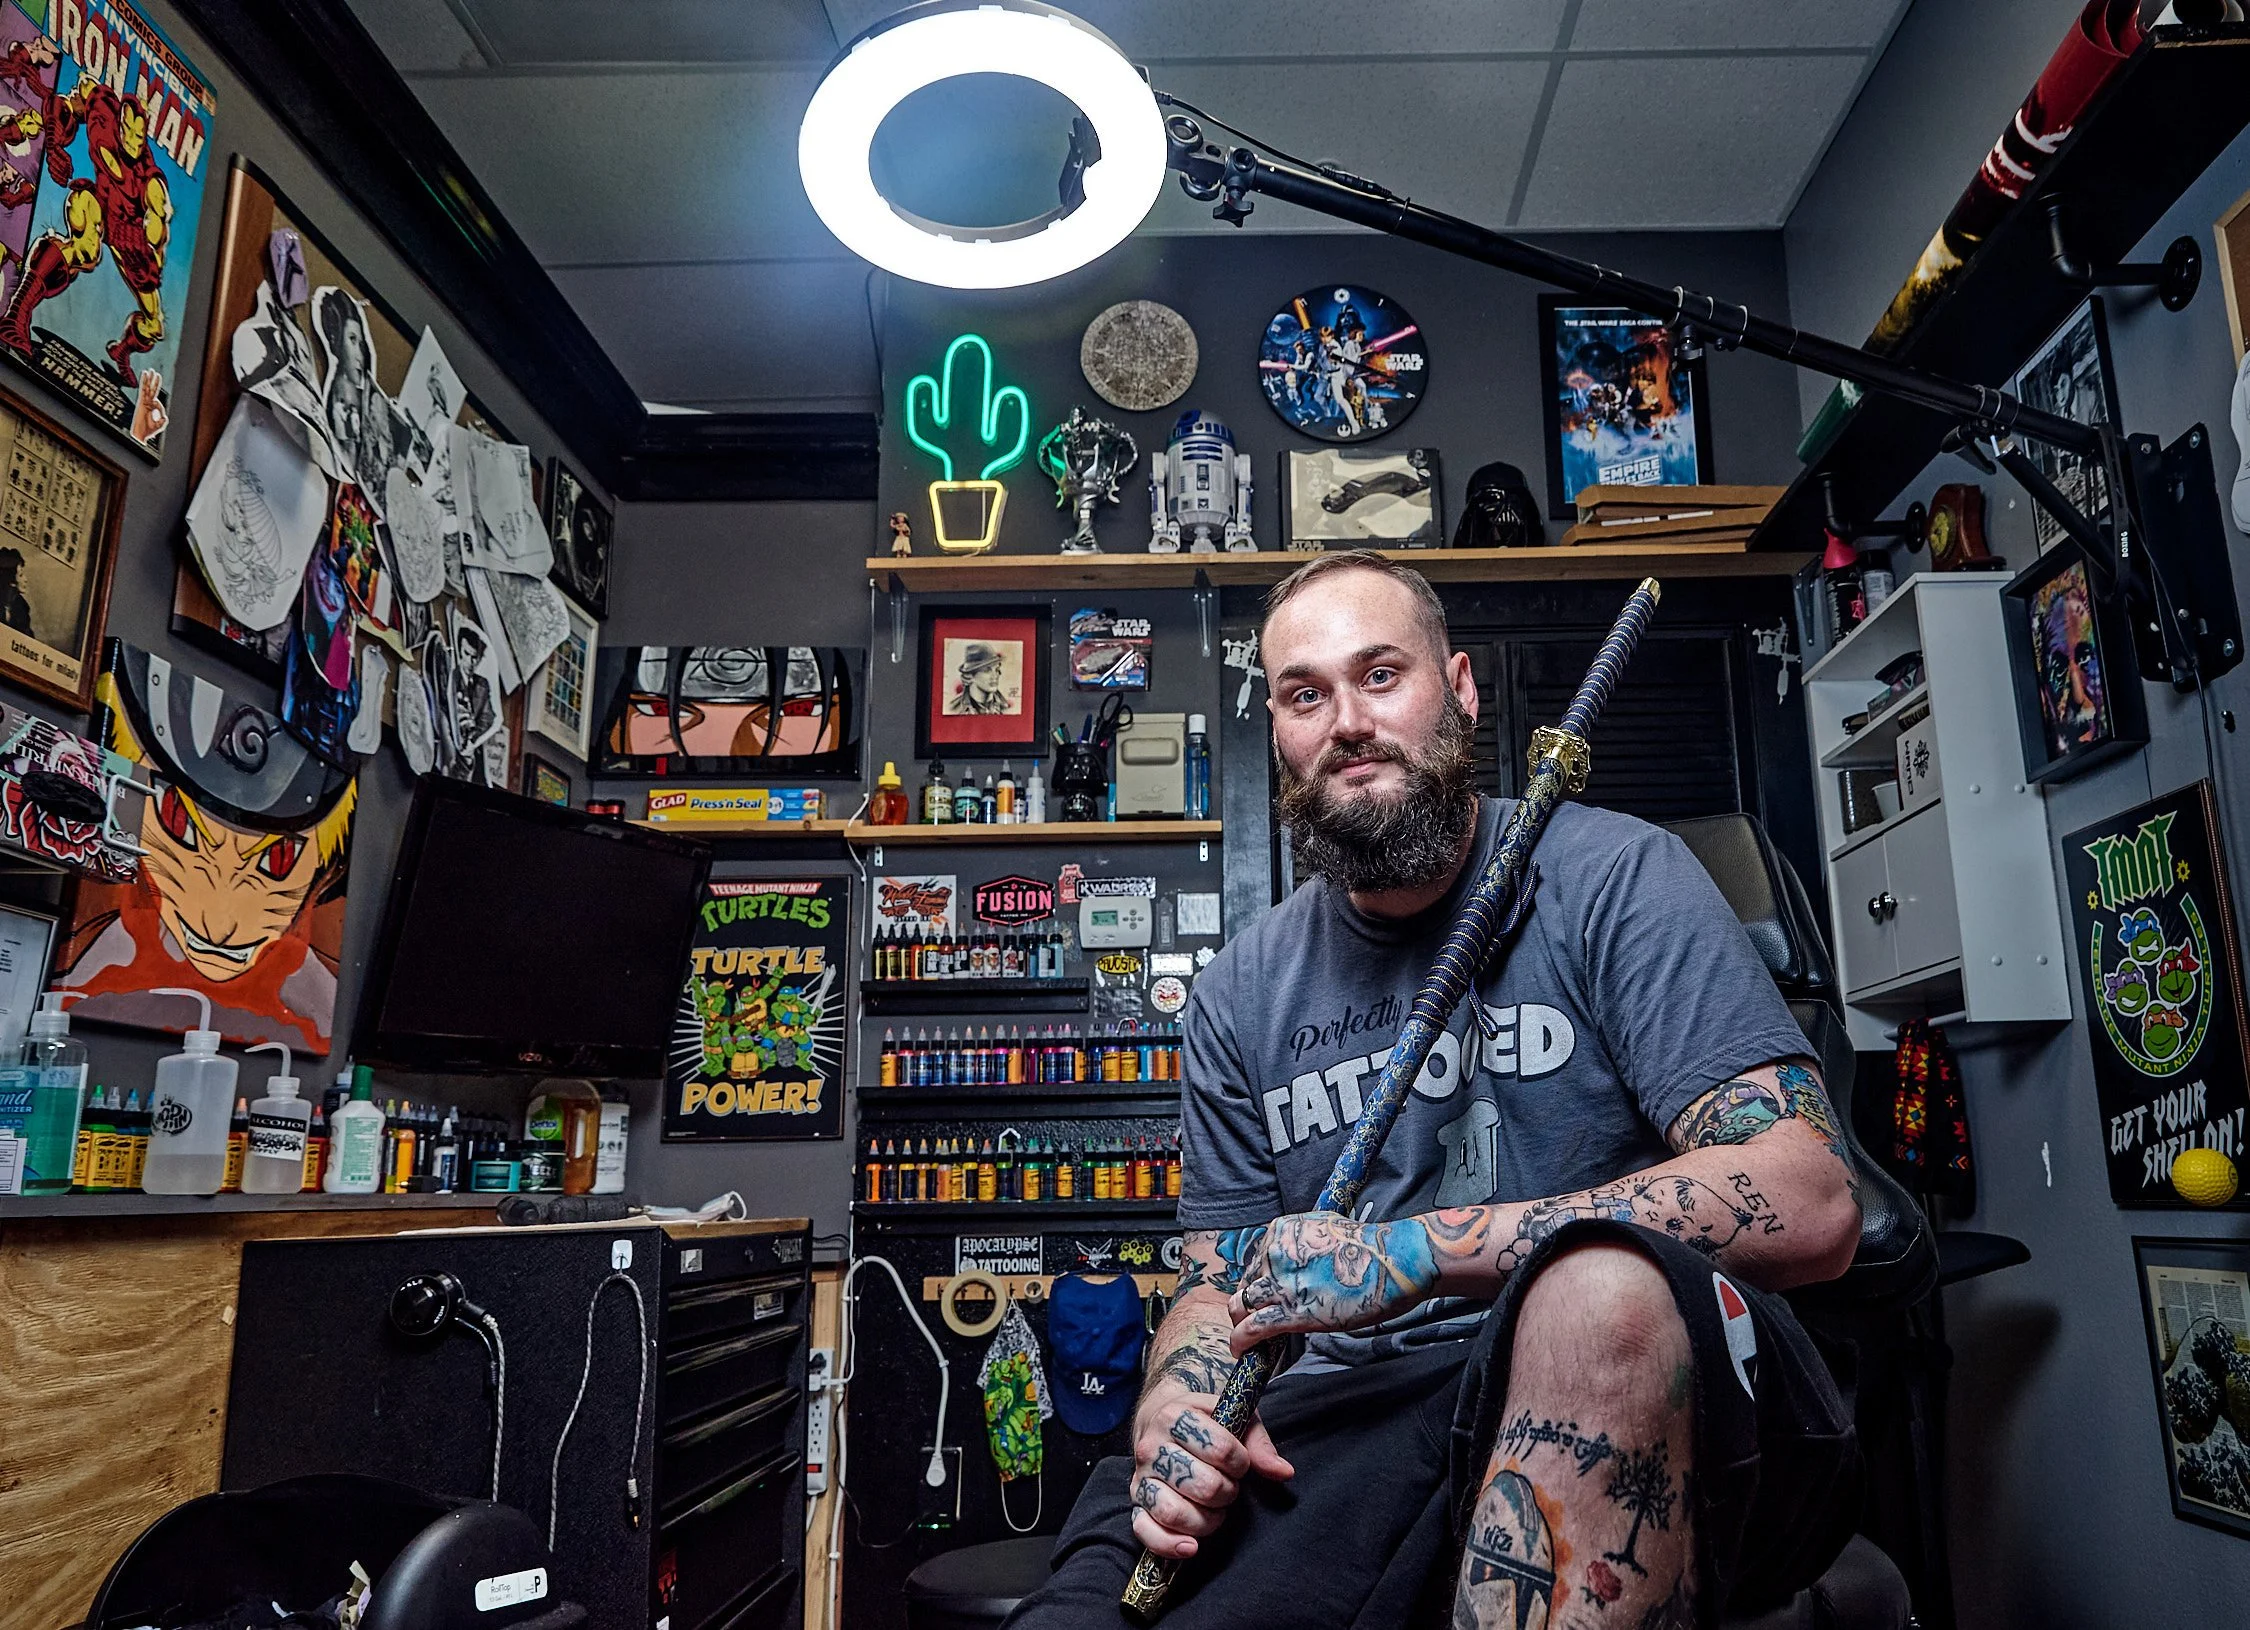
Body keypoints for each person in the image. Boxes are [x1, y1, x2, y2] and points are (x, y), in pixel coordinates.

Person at [1008, 551, 1863, 1629]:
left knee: (1597, 1297)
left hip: (1659, 1400)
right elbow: (1214, 1283)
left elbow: (1813, 1195)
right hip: (1360, 1425)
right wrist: (1182, 1390)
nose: (1347, 721)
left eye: (1381, 674)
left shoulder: (1617, 879)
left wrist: (1413, 1254)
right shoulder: (1241, 992)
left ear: (1458, 689)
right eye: (1305, 693)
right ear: (1276, 730)